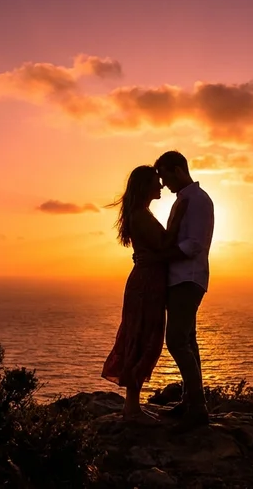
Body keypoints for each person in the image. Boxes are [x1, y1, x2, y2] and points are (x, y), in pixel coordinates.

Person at [101, 165, 188, 424]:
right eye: (155, 181)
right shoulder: (140, 215)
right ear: (144, 186)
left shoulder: (142, 213)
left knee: (145, 337)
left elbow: (156, 249)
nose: (160, 186)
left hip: (149, 280)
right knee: (141, 338)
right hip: (146, 283)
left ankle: (132, 406)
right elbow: (164, 244)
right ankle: (131, 409)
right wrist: (178, 216)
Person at [137, 150, 215, 433]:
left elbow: (194, 244)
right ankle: (191, 401)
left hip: (188, 279)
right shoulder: (185, 200)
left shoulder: (197, 200)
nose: (163, 183)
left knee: (177, 341)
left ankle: (198, 408)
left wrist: (157, 257)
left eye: (165, 175)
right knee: (188, 341)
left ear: (178, 170)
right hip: (181, 279)